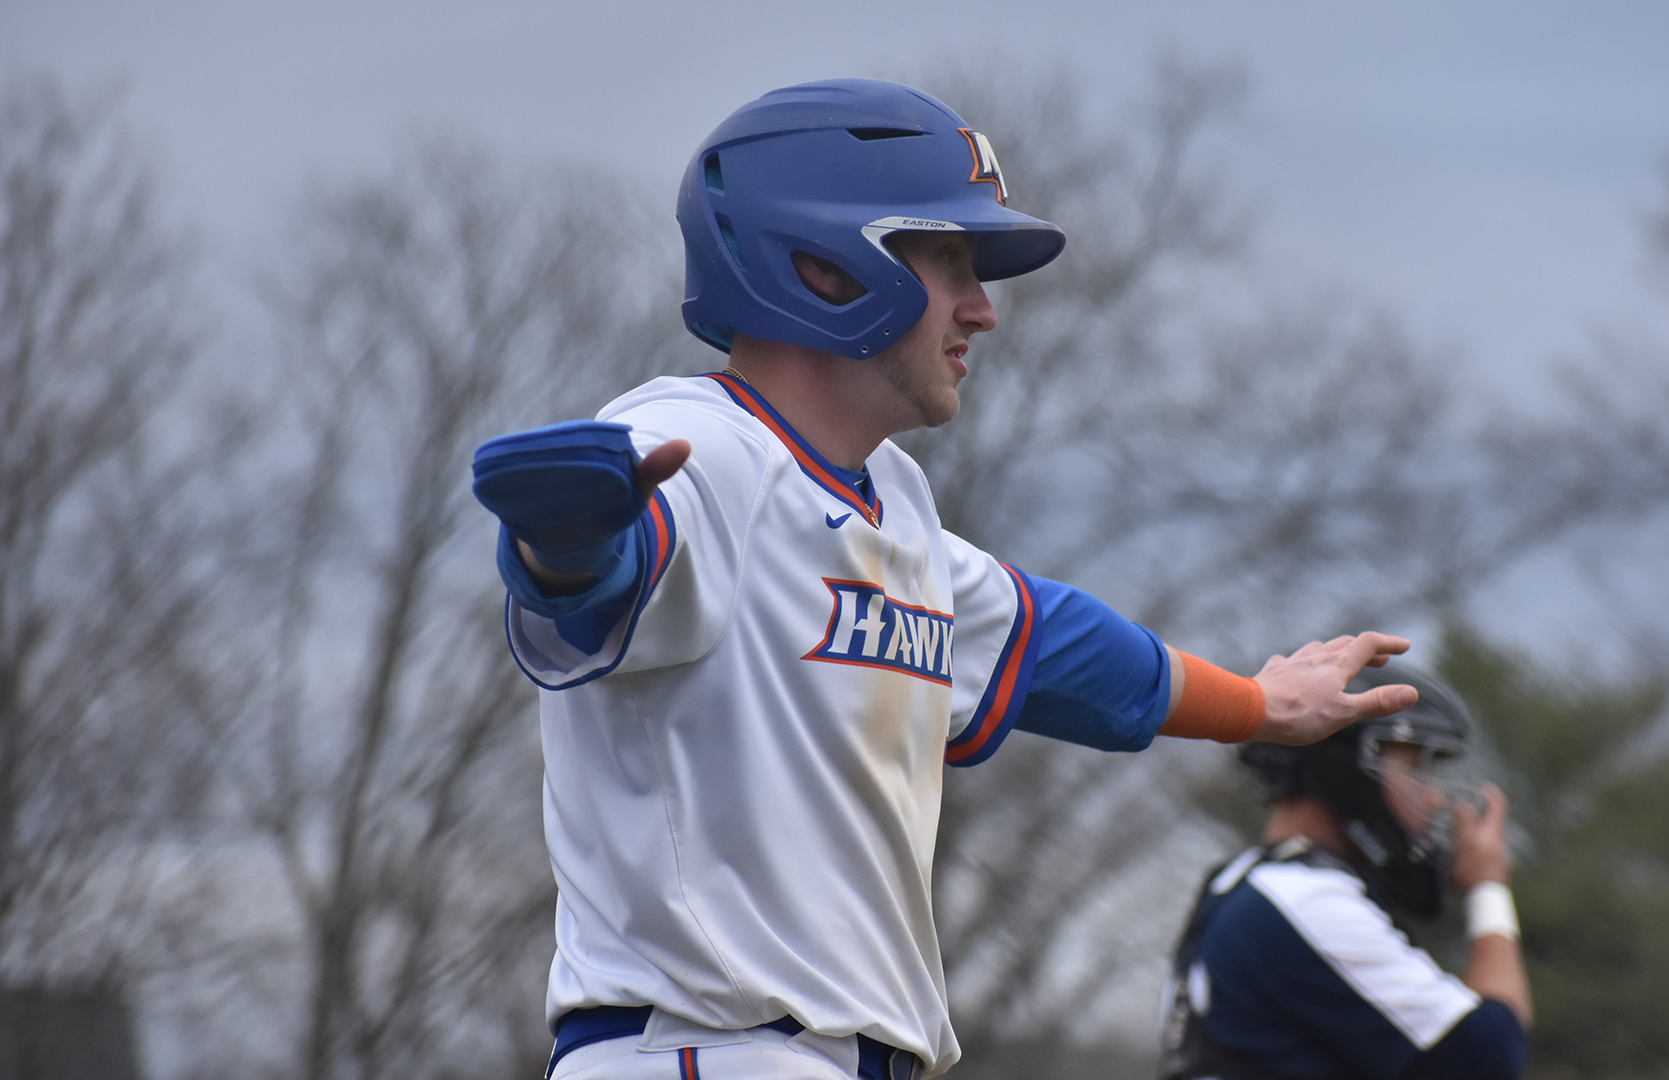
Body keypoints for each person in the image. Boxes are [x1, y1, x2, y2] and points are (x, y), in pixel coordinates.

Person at [471, 77, 1420, 1080]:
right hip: (705, 1050)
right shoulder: (695, 442)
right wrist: (562, 544)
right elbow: (605, 573)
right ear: (824, 264)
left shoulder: (892, 497)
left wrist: (1257, 703)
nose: (983, 309)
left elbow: (1052, 644)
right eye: (950, 260)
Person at [1158, 665, 1531, 1080]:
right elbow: (1490, 1059)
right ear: (1347, 765)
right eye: (1415, 770)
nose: (1434, 797)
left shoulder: (1238, 883)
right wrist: (1488, 888)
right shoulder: (1304, 899)